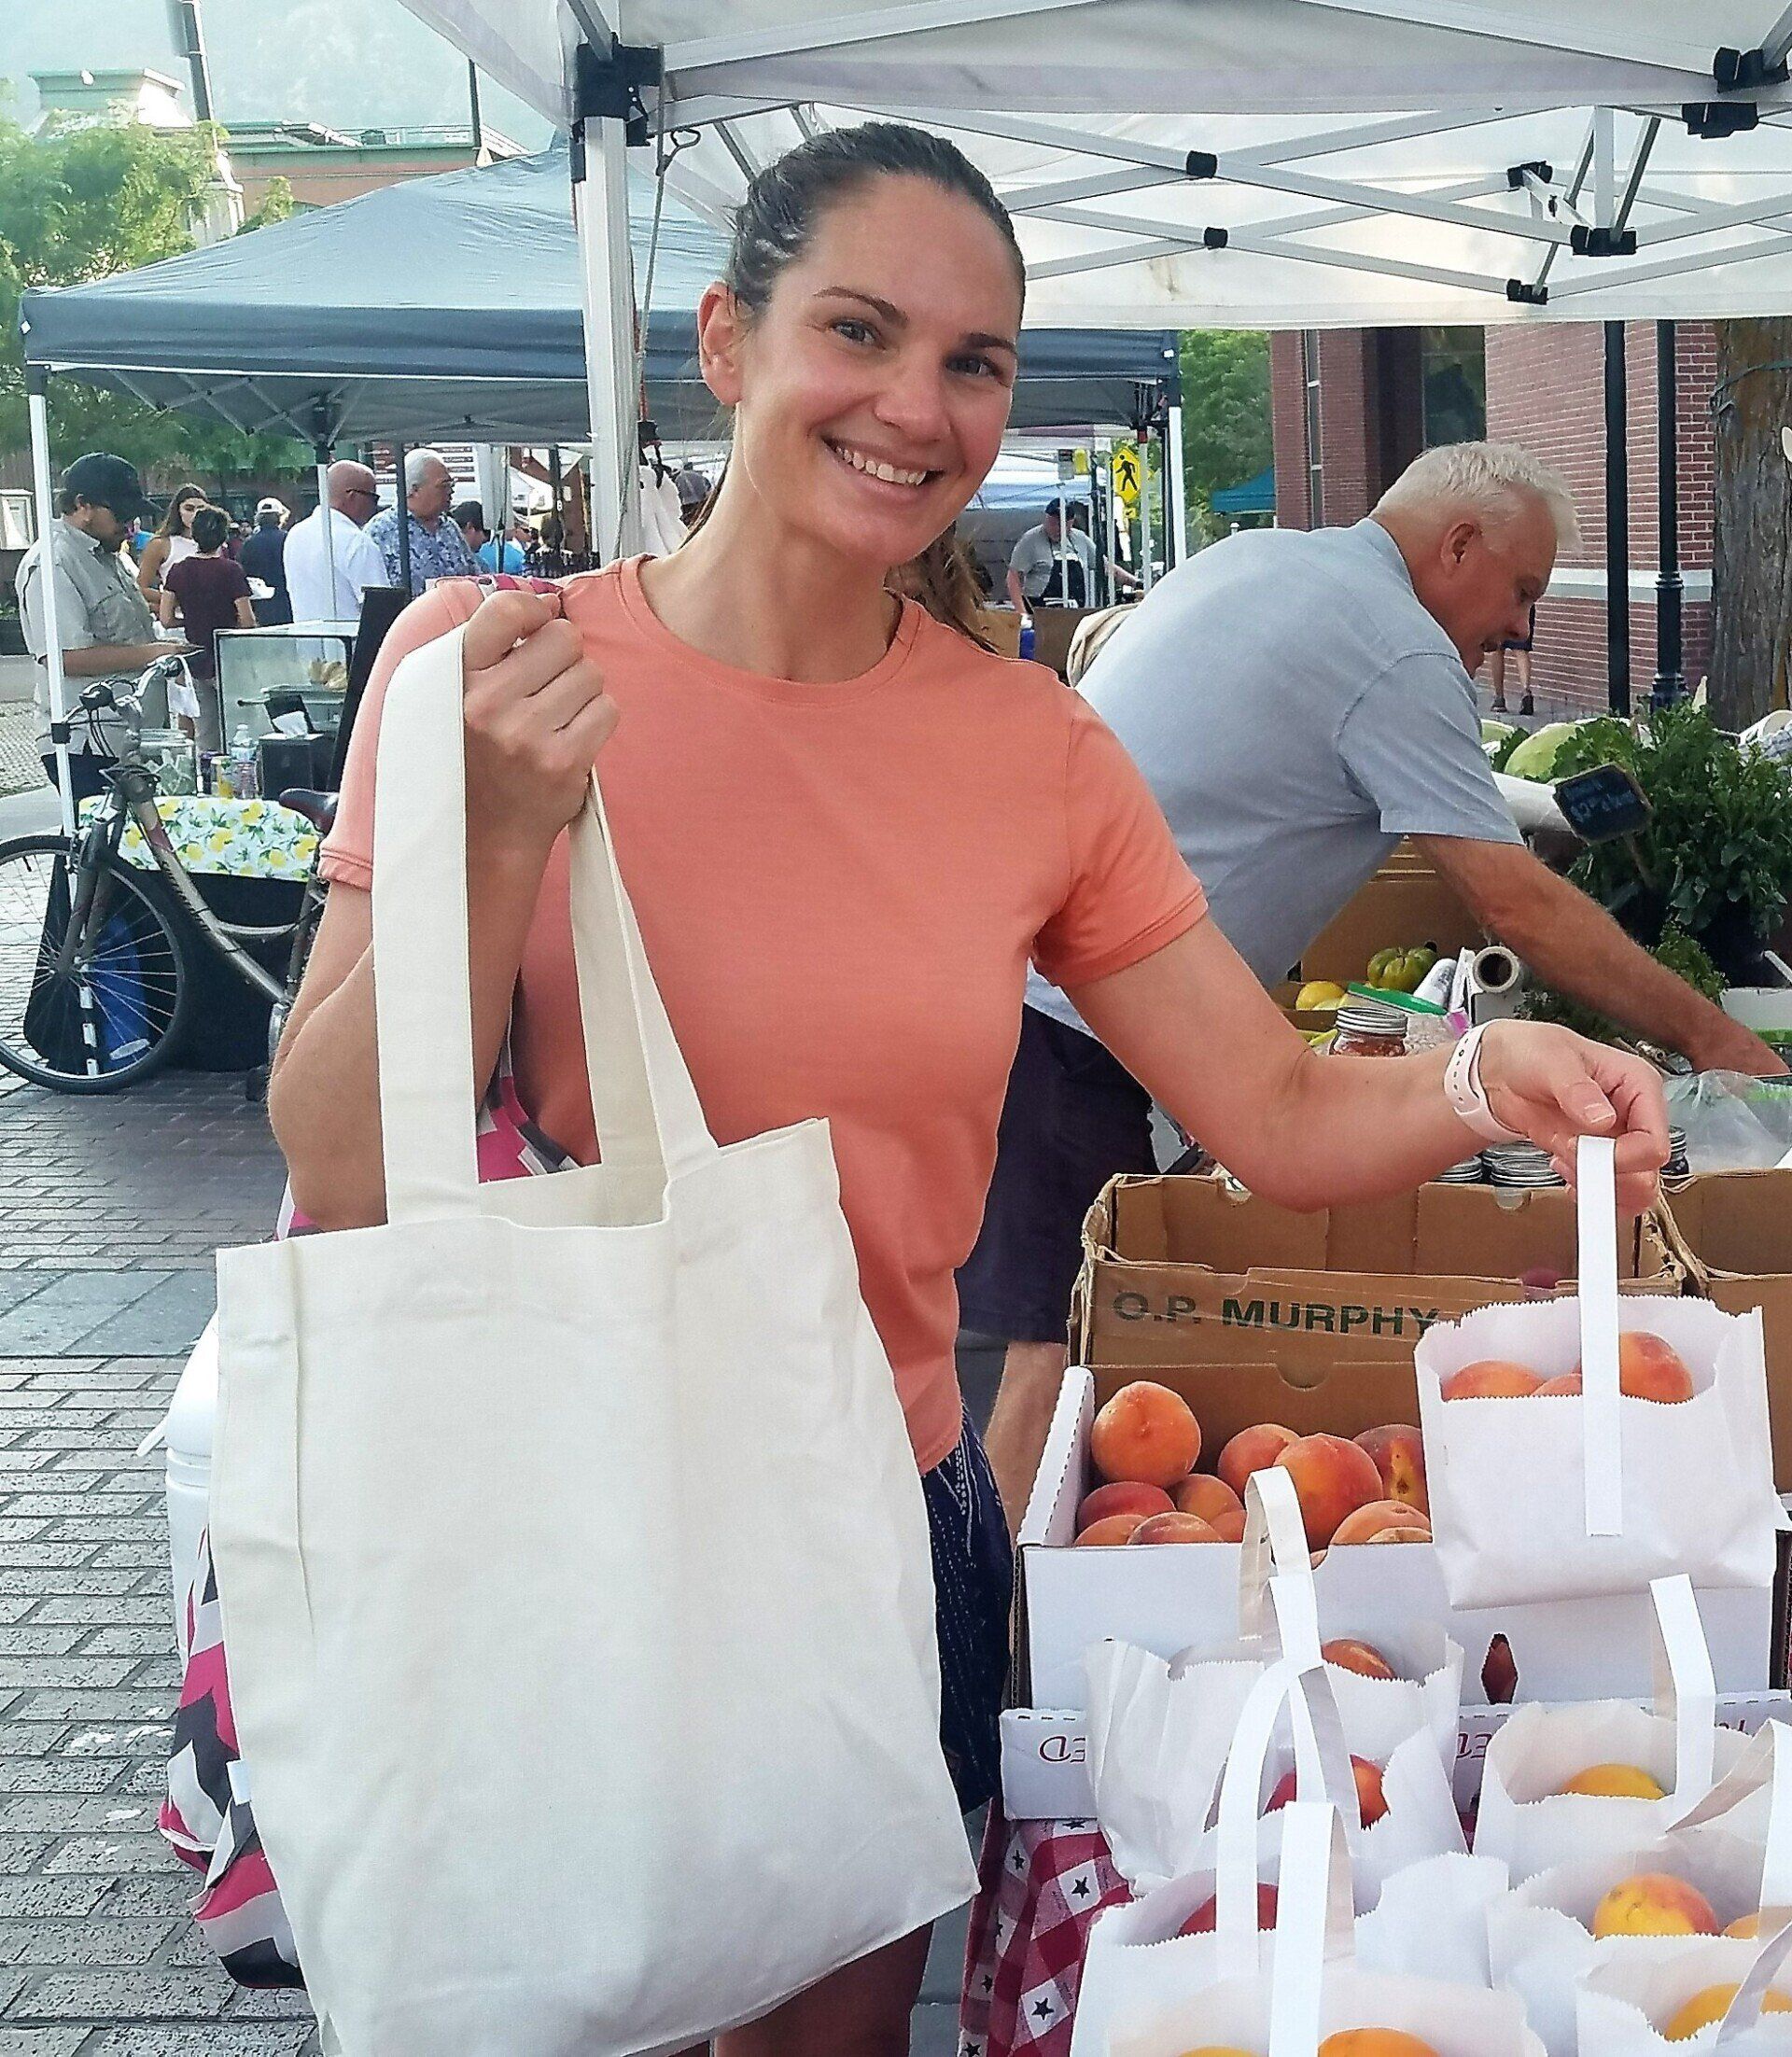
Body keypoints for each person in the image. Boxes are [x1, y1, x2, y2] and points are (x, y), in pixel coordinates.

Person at [267, 125, 1666, 2055]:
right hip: (559, 1514)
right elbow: (339, 1154)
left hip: (873, 1521)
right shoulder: (485, 668)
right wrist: (493, 833)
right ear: (728, 340)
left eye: (977, 362)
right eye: (860, 331)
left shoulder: (1031, 749)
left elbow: (1269, 1108)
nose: (919, 409)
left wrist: (1484, 1069)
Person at [962, 439, 1783, 1529]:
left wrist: (1530, 811)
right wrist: (1718, 1039)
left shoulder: (1262, 564)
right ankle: (996, 1637)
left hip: (1031, 988)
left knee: (1062, 1349)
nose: (1524, 629)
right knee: (1058, 1359)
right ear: (1456, 544)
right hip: (1077, 1021)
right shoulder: (1396, 649)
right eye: (1524, 590)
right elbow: (1518, 909)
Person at [15, 452, 182, 803]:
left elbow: (134, 622)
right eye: (120, 513)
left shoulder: (111, 556)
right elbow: (65, 657)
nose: (129, 523)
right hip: (88, 739)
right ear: (82, 505)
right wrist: (154, 653)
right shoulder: (53, 562)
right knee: (95, 846)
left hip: (129, 733)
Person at [160, 504, 255, 749]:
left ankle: (209, 776)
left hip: (195, 656)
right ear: (223, 537)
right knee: (238, 726)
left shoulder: (178, 570)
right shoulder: (231, 570)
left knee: (205, 731)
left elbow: (166, 619)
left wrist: (189, 619)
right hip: (227, 657)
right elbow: (247, 621)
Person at [284, 462, 387, 624]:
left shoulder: (295, 535)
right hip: (353, 644)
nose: (376, 505)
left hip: (307, 642)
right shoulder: (357, 543)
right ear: (352, 496)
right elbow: (381, 608)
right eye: (373, 497)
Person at [367, 449, 479, 596]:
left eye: (451, 485)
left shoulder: (450, 527)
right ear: (414, 490)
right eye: (444, 485)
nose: (450, 491)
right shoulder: (381, 531)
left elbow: (475, 574)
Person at [1005, 498, 1097, 612]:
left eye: (1063, 526)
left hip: (1075, 610)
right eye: (1053, 524)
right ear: (1046, 518)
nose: (1057, 529)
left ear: (1071, 523)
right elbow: (1013, 577)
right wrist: (1022, 613)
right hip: (1039, 609)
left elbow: (1104, 566)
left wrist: (1126, 578)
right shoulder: (1030, 540)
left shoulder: (1080, 538)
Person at [134, 483, 208, 606]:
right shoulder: (161, 544)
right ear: (178, 511)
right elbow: (140, 588)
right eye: (189, 509)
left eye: (201, 508)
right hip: (178, 617)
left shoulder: (216, 543)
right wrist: (173, 600)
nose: (195, 514)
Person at [239, 497, 292, 626]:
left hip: (261, 605)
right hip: (287, 601)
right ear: (279, 517)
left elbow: (243, 573)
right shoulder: (289, 539)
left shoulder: (248, 544)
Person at [1491, 600, 1536, 715]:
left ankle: (1499, 698)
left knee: (1497, 649)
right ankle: (1526, 692)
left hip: (1499, 602)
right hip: (1523, 603)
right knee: (1521, 650)